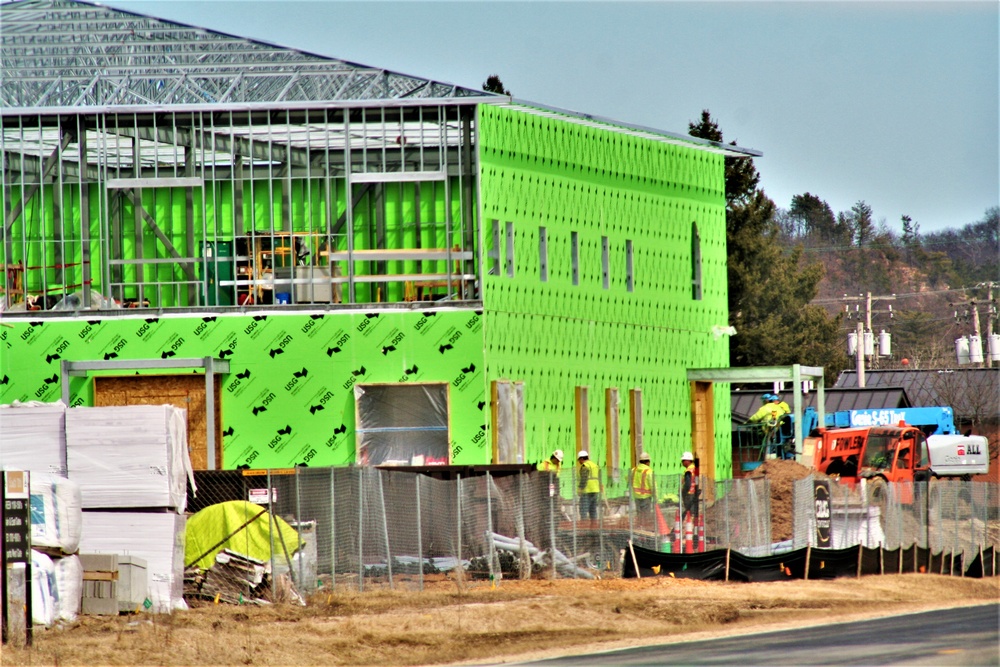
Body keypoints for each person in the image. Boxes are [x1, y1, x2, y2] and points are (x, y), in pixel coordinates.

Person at [576, 450, 601, 522]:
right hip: (595, 490)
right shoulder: (595, 465)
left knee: (583, 510)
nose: (579, 462)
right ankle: (594, 526)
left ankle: (583, 526)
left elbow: (584, 478)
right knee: (593, 510)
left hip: (587, 490)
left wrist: (580, 488)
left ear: (581, 459)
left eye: (579, 460)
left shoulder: (585, 466)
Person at [630, 452, 655, 518]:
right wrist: (656, 497)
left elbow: (629, 479)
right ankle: (645, 527)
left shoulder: (633, 470)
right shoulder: (649, 471)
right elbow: (653, 486)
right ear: (647, 462)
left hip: (636, 496)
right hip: (646, 497)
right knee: (646, 515)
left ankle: (640, 526)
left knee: (639, 515)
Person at [680, 451, 699, 519]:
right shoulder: (694, 468)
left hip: (689, 494)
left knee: (690, 512)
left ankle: (691, 526)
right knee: (694, 511)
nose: (682, 462)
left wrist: (684, 492)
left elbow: (688, 483)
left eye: (683, 460)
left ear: (688, 461)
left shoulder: (688, 470)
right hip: (694, 492)